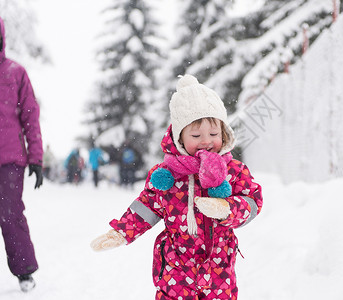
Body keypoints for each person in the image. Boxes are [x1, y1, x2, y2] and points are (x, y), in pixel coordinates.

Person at [91, 74, 263, 299]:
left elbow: (252, 202)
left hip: (219, 271)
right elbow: (146, 208)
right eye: (196, 135)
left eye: (214, 134)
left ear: (224, 133)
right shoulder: (166, 175)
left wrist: (227, 209)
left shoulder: (232, 170)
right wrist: (121, 232)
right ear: (179, 138)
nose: (206, 141)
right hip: (176, 272)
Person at [0, 16, 43, 293]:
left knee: (10, 214)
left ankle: (24, 271)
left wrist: (36, 158)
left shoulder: (15, 73)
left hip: (10, 160)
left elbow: (31, 116)